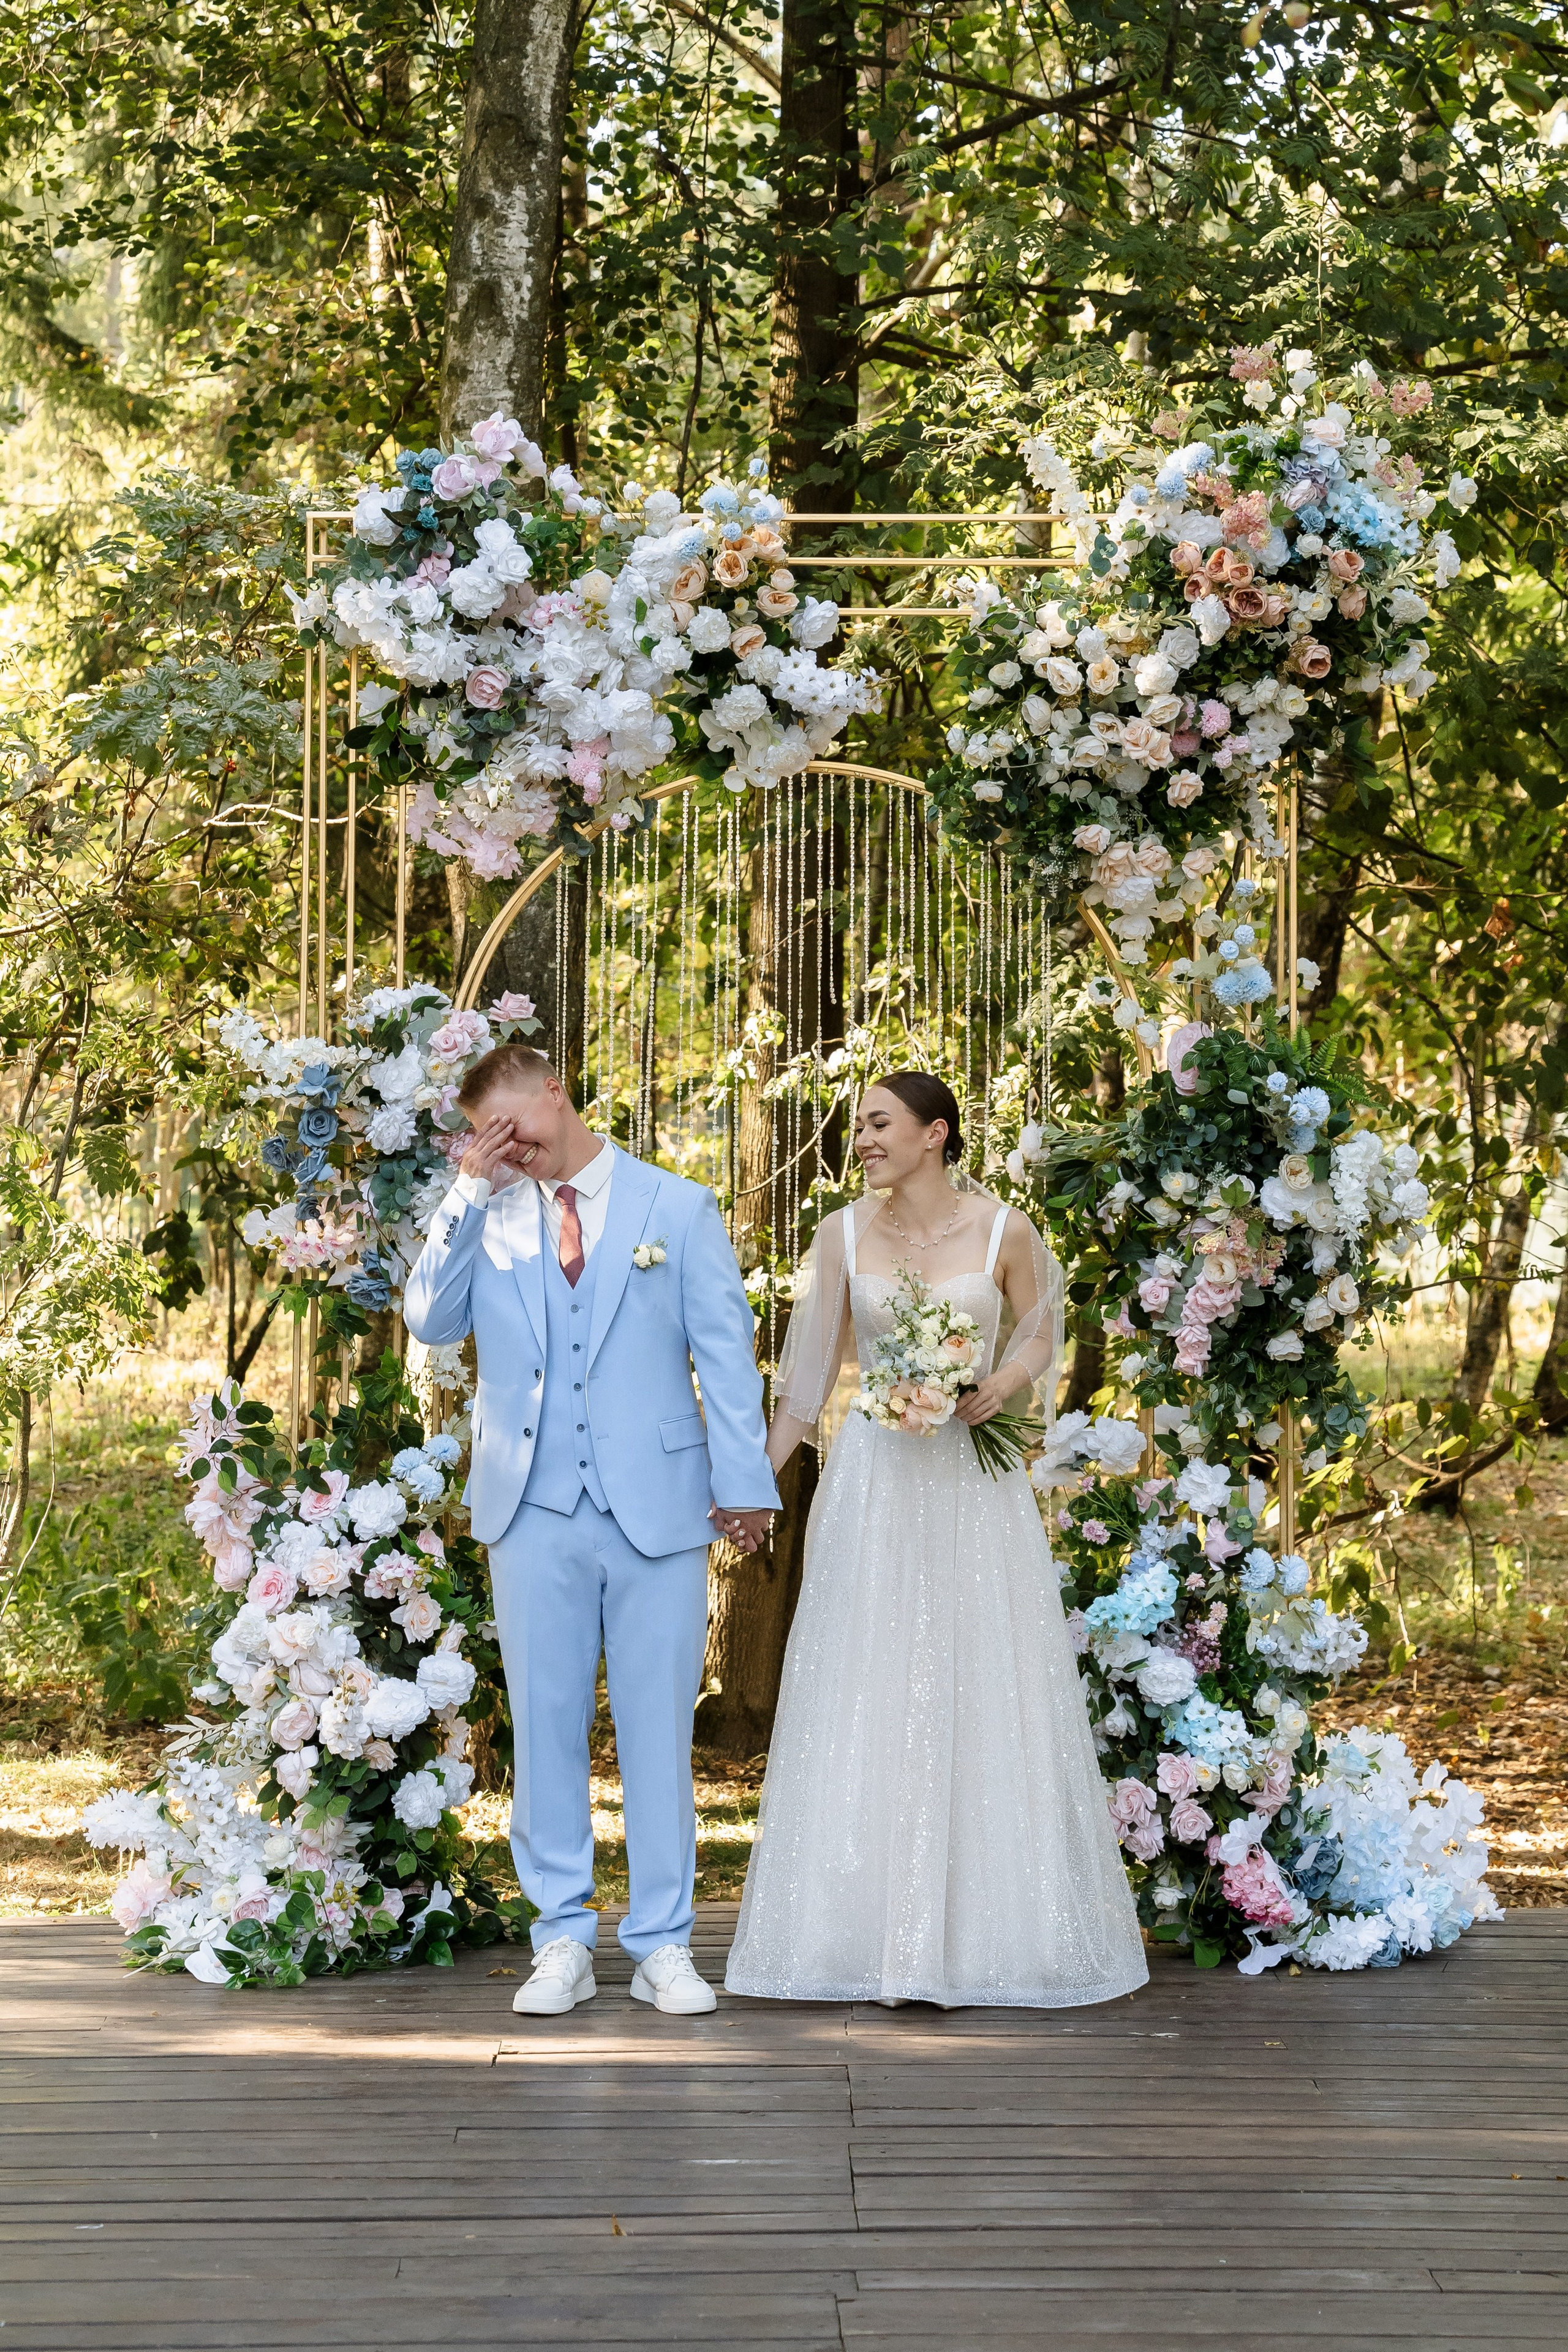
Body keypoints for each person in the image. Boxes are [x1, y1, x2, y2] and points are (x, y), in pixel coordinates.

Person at [725, 1071, 1148, 2008]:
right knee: (866, 1678)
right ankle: (855, 1932)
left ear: (935, 1134)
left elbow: (1039, 1332)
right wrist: (753, 1482)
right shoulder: (838, 1235)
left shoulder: (1006, 1231)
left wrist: (1004, 1383)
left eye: (879, 1124)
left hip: (972, 1482)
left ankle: (993, 1933)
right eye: (861, 1127)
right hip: (876, 1483)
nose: (863, 1139)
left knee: (979, 1674)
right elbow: (805, 1384)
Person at [405, 1044, 779, 2018]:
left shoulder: (677, 1206)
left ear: (556, 1091)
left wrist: (746, 1487)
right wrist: (464, 1192)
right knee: (547, 1729)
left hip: (657, 1506)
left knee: (658, 1733)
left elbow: (728, 1362)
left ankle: (663, 1944)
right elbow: (429, 1324)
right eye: (485, 1134)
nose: (507, 1145)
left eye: (513, 1124)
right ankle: (561, 1938)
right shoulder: (486, 1218)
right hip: (530, 1509)